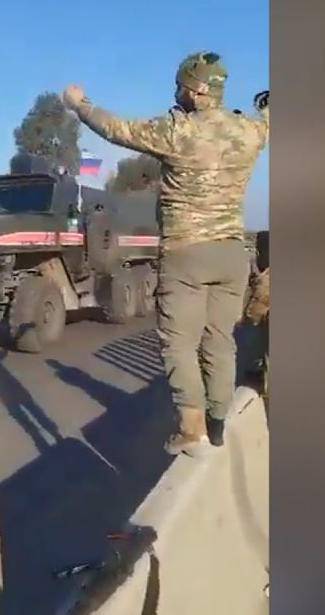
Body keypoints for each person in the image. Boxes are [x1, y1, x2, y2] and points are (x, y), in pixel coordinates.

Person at [62, 51, 269, 455]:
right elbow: (268, 124)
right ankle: (218, 421)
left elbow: (117, 129)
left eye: (179, 86)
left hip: (186, 251)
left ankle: (191, 427)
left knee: (178, 342)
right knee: (220, 339)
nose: (176, 93)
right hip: (231, 254)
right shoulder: (250, 132)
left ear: (194, 90)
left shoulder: (177, 132)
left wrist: (78, 104)